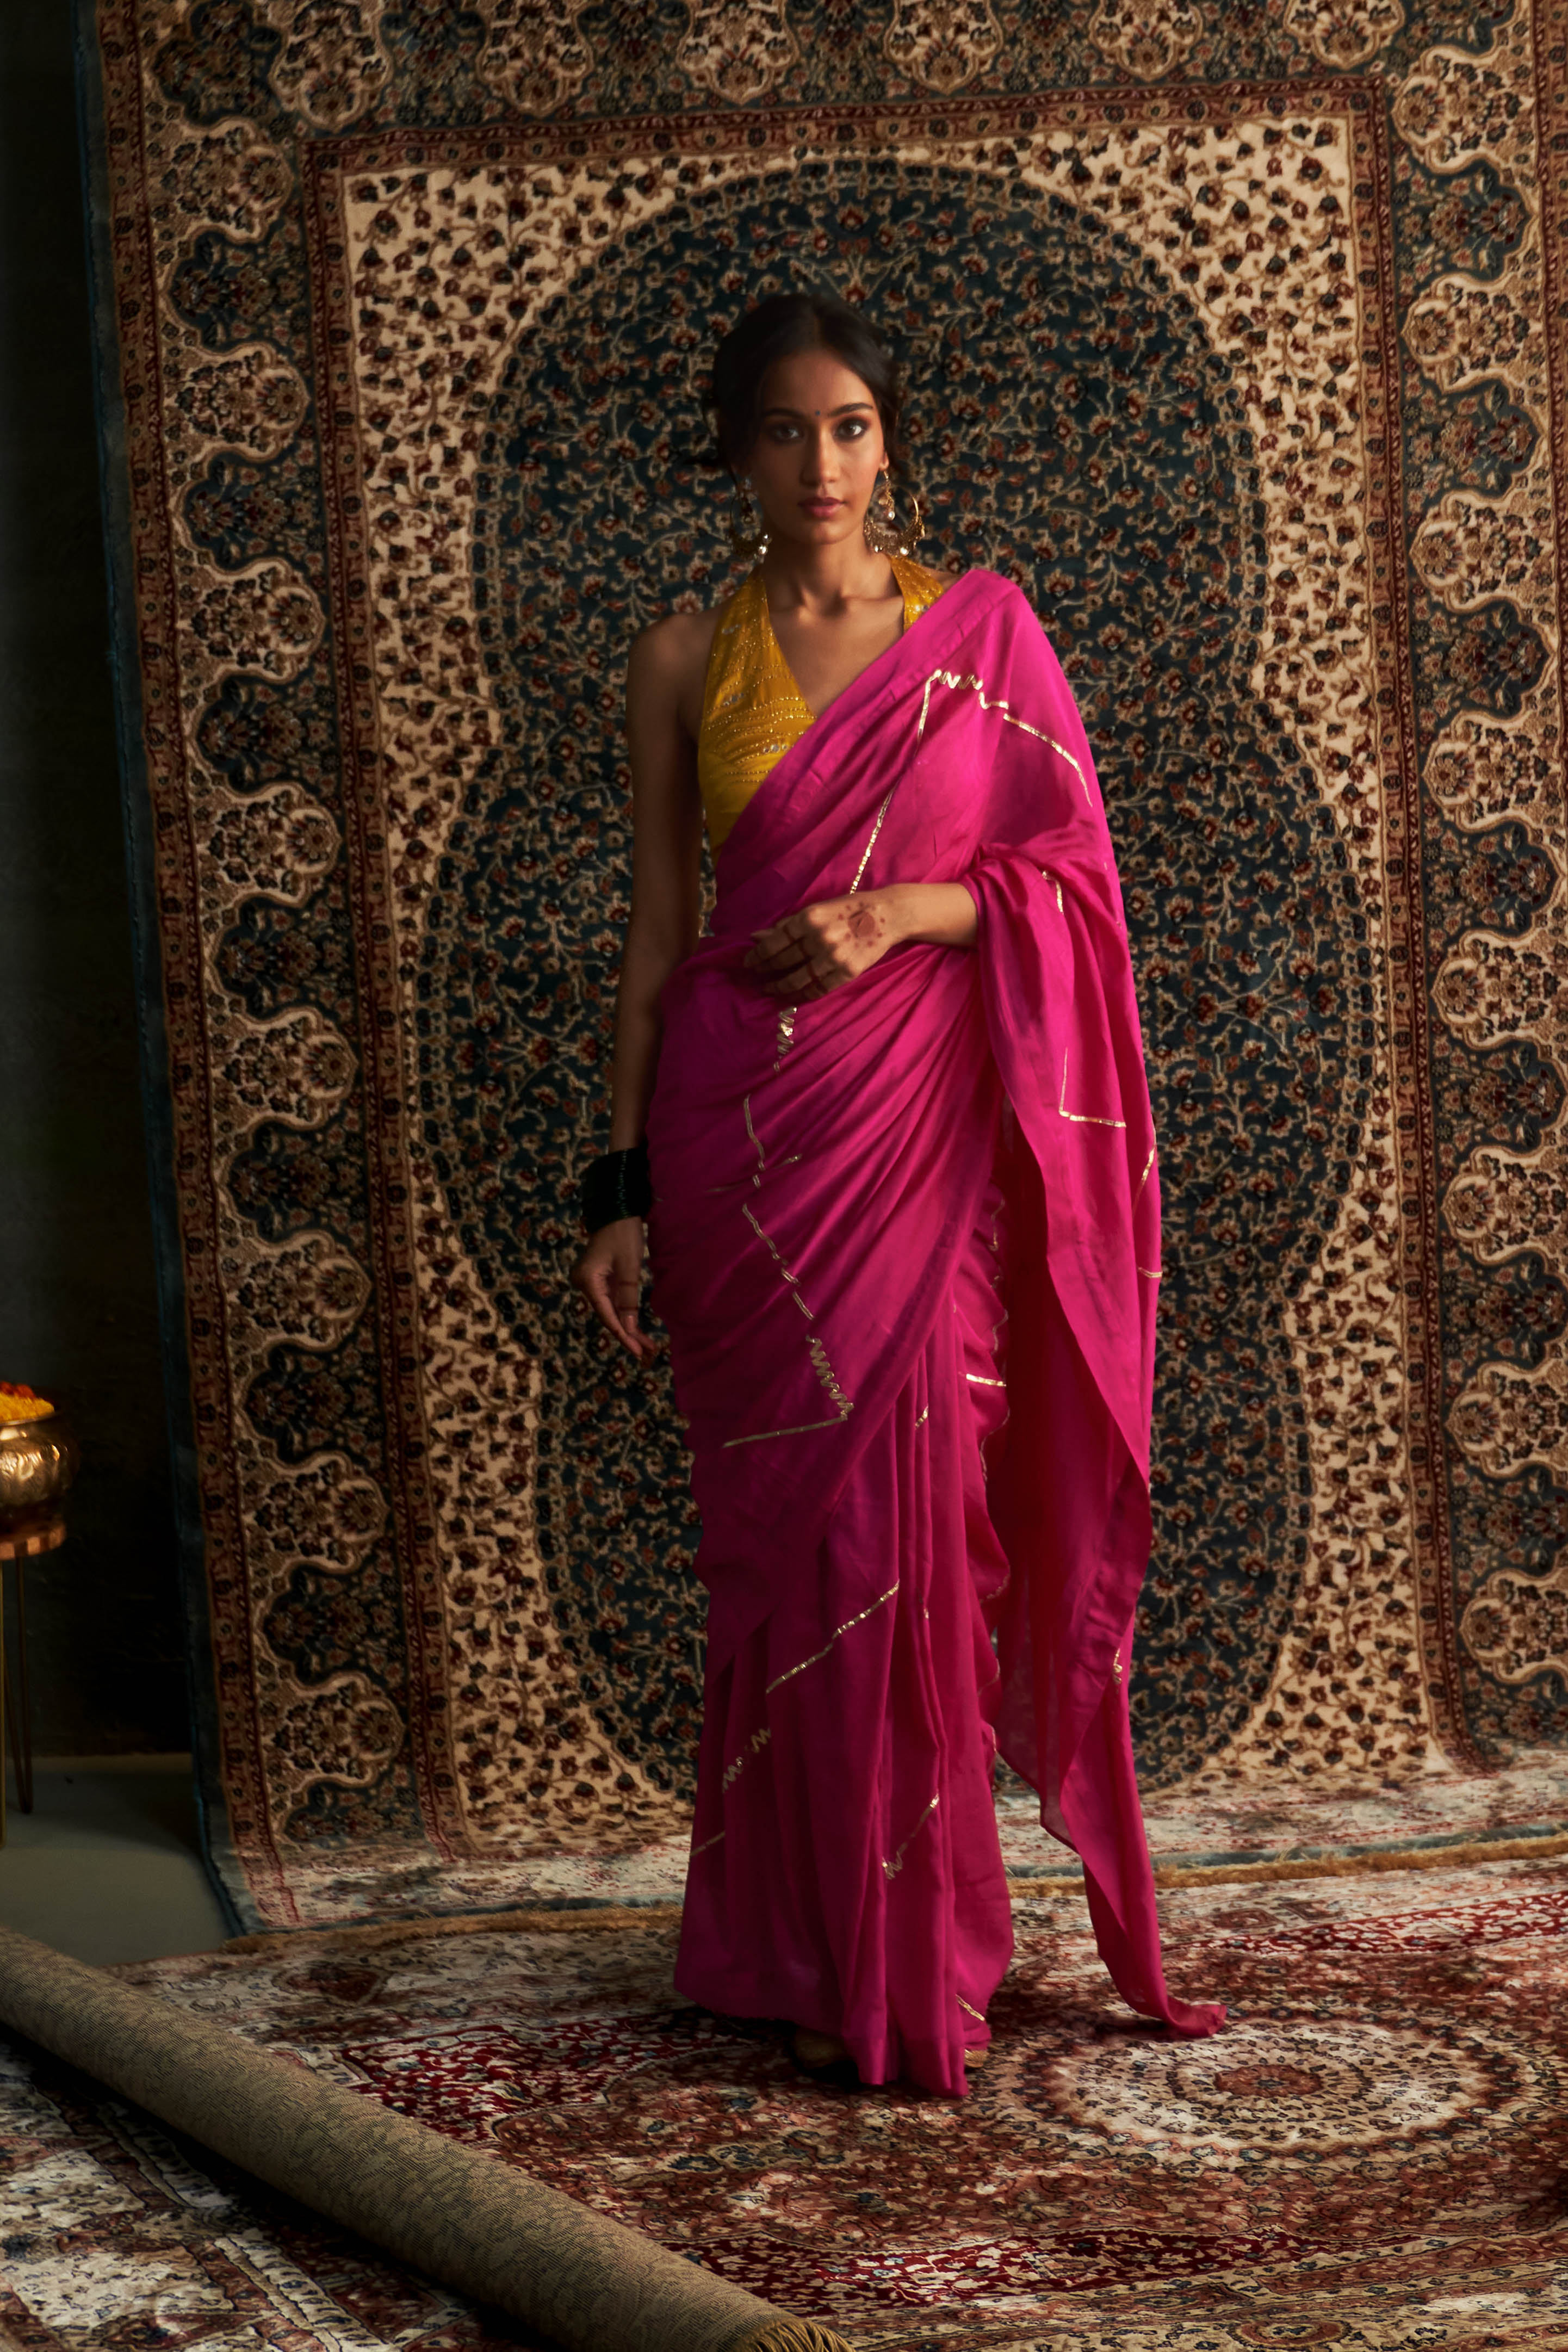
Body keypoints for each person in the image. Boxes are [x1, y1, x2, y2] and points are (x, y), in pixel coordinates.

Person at [572, 291, 1223, 2097]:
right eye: (785, 429)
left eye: (850, 425)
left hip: (920, 1138)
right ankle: (788, 1942)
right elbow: (659, 928)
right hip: (741, 1141)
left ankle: (907, 1949)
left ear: (891, 442)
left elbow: (1069, 885)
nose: (822, 463)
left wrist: (895, 914)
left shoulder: (979, 636)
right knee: (785, 1556)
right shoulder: (683, 657)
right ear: (735, 450)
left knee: (908, 1526)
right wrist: (617, 1185)